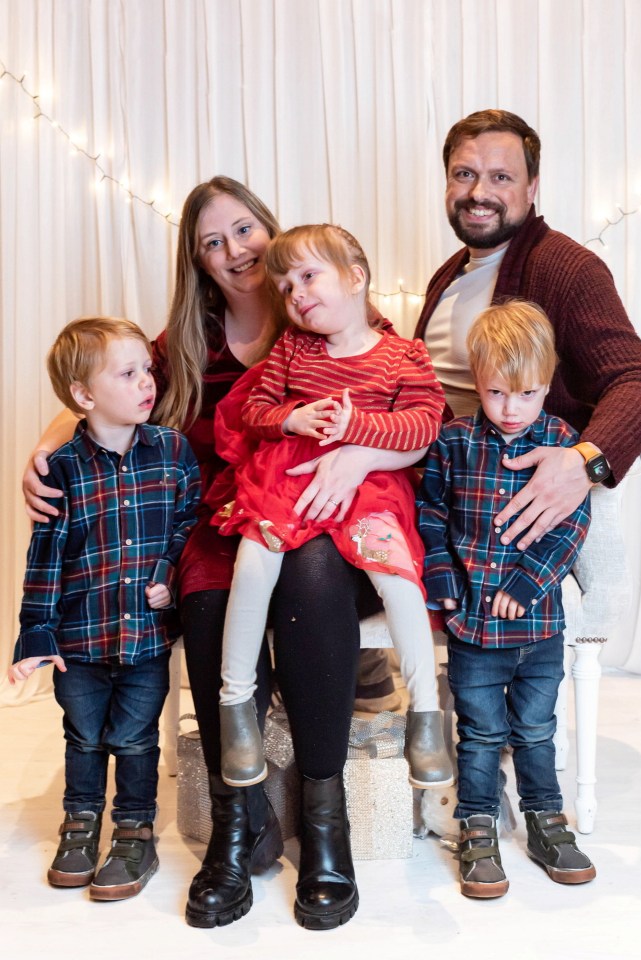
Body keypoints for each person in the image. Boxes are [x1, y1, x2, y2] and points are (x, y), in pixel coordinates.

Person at [21, 178, 426, 931]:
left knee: (308, 575)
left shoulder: (330, 309)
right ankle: (239, 820)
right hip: (226, 512)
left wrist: (363, 460)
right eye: (212, 241)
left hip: (330, 515)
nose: (233, 250)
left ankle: (324, 813)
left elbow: (407, 415)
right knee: (204, 593)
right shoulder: (184, 342)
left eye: (243, 231)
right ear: (198, 262)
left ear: (270, 234)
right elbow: (101, 382)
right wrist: (46, 448)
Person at [415, 107, 641, 668]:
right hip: (437, 487)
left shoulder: (566, 268)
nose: (479, 192)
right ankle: (361, 698)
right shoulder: (449, 274)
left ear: (532, 186)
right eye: (464, 174)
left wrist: (584, 462)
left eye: (500, 177)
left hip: (498, 507)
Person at [213, 223, 453, 792]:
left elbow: (425, 422)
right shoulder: (293, 348)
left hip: (368, 486)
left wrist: (357, 429)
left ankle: (424, 717)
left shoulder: (402, 355)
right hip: (287, 479)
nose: (296, 294)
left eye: (308, 276)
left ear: (356, 277)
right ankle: (236, 709)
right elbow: (256, 410)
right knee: (254, 565)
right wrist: (289, 419)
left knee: (396, 579)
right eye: (286, 287)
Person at [9, 316, 201, 901]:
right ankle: (80, 823)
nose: (148, 382)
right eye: (129, 373)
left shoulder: (171, 451)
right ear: (84, 396)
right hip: (81, 639)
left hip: (144, 636)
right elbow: (44, 558)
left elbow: (186, 526)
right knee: (85, 736)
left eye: (147, 369)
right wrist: (35, 633)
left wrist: (167, 574)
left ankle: (134, 829)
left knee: (137, 739)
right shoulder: (63, 469)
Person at [417, 301, 595, 898]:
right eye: (497, 393)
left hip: (540, 628)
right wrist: (441, 580)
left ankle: (547, 821)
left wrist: (527, 583)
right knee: (481, 734)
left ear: (547, 383)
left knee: (537, 731)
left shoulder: (564, 443)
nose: (511, 408)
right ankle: (477, 826)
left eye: (527, 393)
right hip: (473, 630)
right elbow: (433, 514)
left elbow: (571, 526)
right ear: (476, 378)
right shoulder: (455, 443)